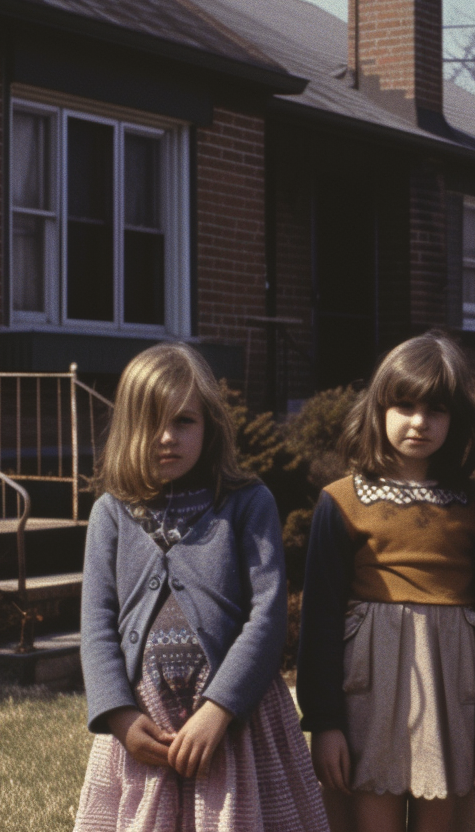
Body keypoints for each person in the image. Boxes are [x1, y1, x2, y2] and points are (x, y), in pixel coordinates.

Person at [73, 342, 327, 832]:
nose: (166, 437)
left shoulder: (247, 503)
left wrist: (219, 709)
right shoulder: (111, 512)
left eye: (183, 421)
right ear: (127, 427)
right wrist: (119, 717)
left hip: (236, 725)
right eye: (151, 423)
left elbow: (267, 617)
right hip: (143, 722)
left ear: (209, 425)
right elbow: (97, 625)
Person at [297, 333, 475, 832]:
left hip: (450, 689)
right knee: (372, 812)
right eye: (405, 405)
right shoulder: (341, 503)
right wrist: (324, 723)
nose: (419, 422)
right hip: (367, 692)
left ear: (456, 418)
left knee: (442, 814)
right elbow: (320, 622)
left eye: (436, 409)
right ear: (379, 409)